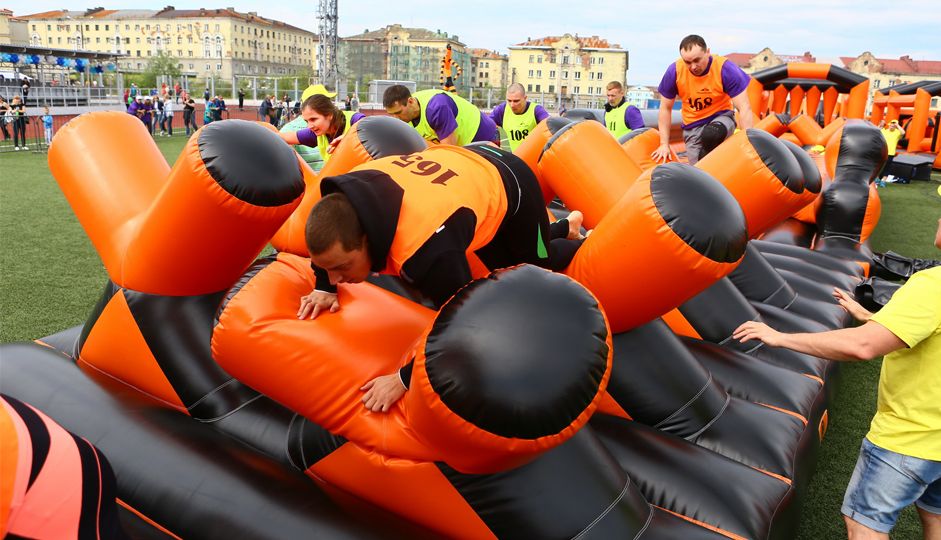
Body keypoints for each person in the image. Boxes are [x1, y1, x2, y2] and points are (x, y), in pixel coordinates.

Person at [298, 145, 587, 412]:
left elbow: (461, 319)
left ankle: (581, 240)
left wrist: (403, 378)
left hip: (510, 178)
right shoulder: (344, 202)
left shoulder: (427, 250)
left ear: (368, 238)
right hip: (460, 175)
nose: (335, 278)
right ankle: (563, 227)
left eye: (342, 267)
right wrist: (324, 287)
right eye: (328, 269)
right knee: (503, 261)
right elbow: (328, 247)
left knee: (528, 271)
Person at [733, 216, 941, 540]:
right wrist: (875, 319)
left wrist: (779, 337)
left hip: (911, 438)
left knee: (864, 525)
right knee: (934, 517)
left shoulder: (933, 285)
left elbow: (862, 346)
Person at [652, 34, 754, 165]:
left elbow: (744, 107)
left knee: (711, 134)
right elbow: (665, 108)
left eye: (697, 60)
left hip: (721, 117)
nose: (693, 67)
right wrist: (664, 144)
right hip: (693, 125)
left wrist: (749, 143)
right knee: (700, 168)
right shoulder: (675, 71)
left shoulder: (724, 68)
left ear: (707, 52)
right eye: (688, 62)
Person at [383, 84, 498, 146]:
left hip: (482, 135)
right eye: (391, 114)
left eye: (398, 113)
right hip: (462, 144)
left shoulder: (436, 108)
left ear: (411, 102)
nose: (395, 119)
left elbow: (449, 150)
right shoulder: (406, 114)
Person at [279, 93, 365, 163]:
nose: (310, 126)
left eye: (313, 119)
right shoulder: (316, 133)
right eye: (307, 121)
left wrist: (350, 136)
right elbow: (283, 137)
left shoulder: (355, 120)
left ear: (329, 114)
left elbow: (374, 128)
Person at [489, 82, 549, 151]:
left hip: (534, 159)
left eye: (516, 101)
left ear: (525, 98)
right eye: (509, 100)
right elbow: (486, 125)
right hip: (516, 158)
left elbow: (551, 125)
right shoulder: (502, 110)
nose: (512, 105)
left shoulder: (536, 110)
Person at [879, 119, 907, 186]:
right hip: (882, 151)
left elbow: (903, 132)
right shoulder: (884, 131)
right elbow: (876, 131)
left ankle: (883, 181)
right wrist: (881, 124)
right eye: (891, 125)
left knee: (887, 167)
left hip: (890, 153)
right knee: (878, 166)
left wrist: (897, 125)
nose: (892, 126)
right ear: (889, 125)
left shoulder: (897, 132)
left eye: (894, 125)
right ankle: (876, 179)